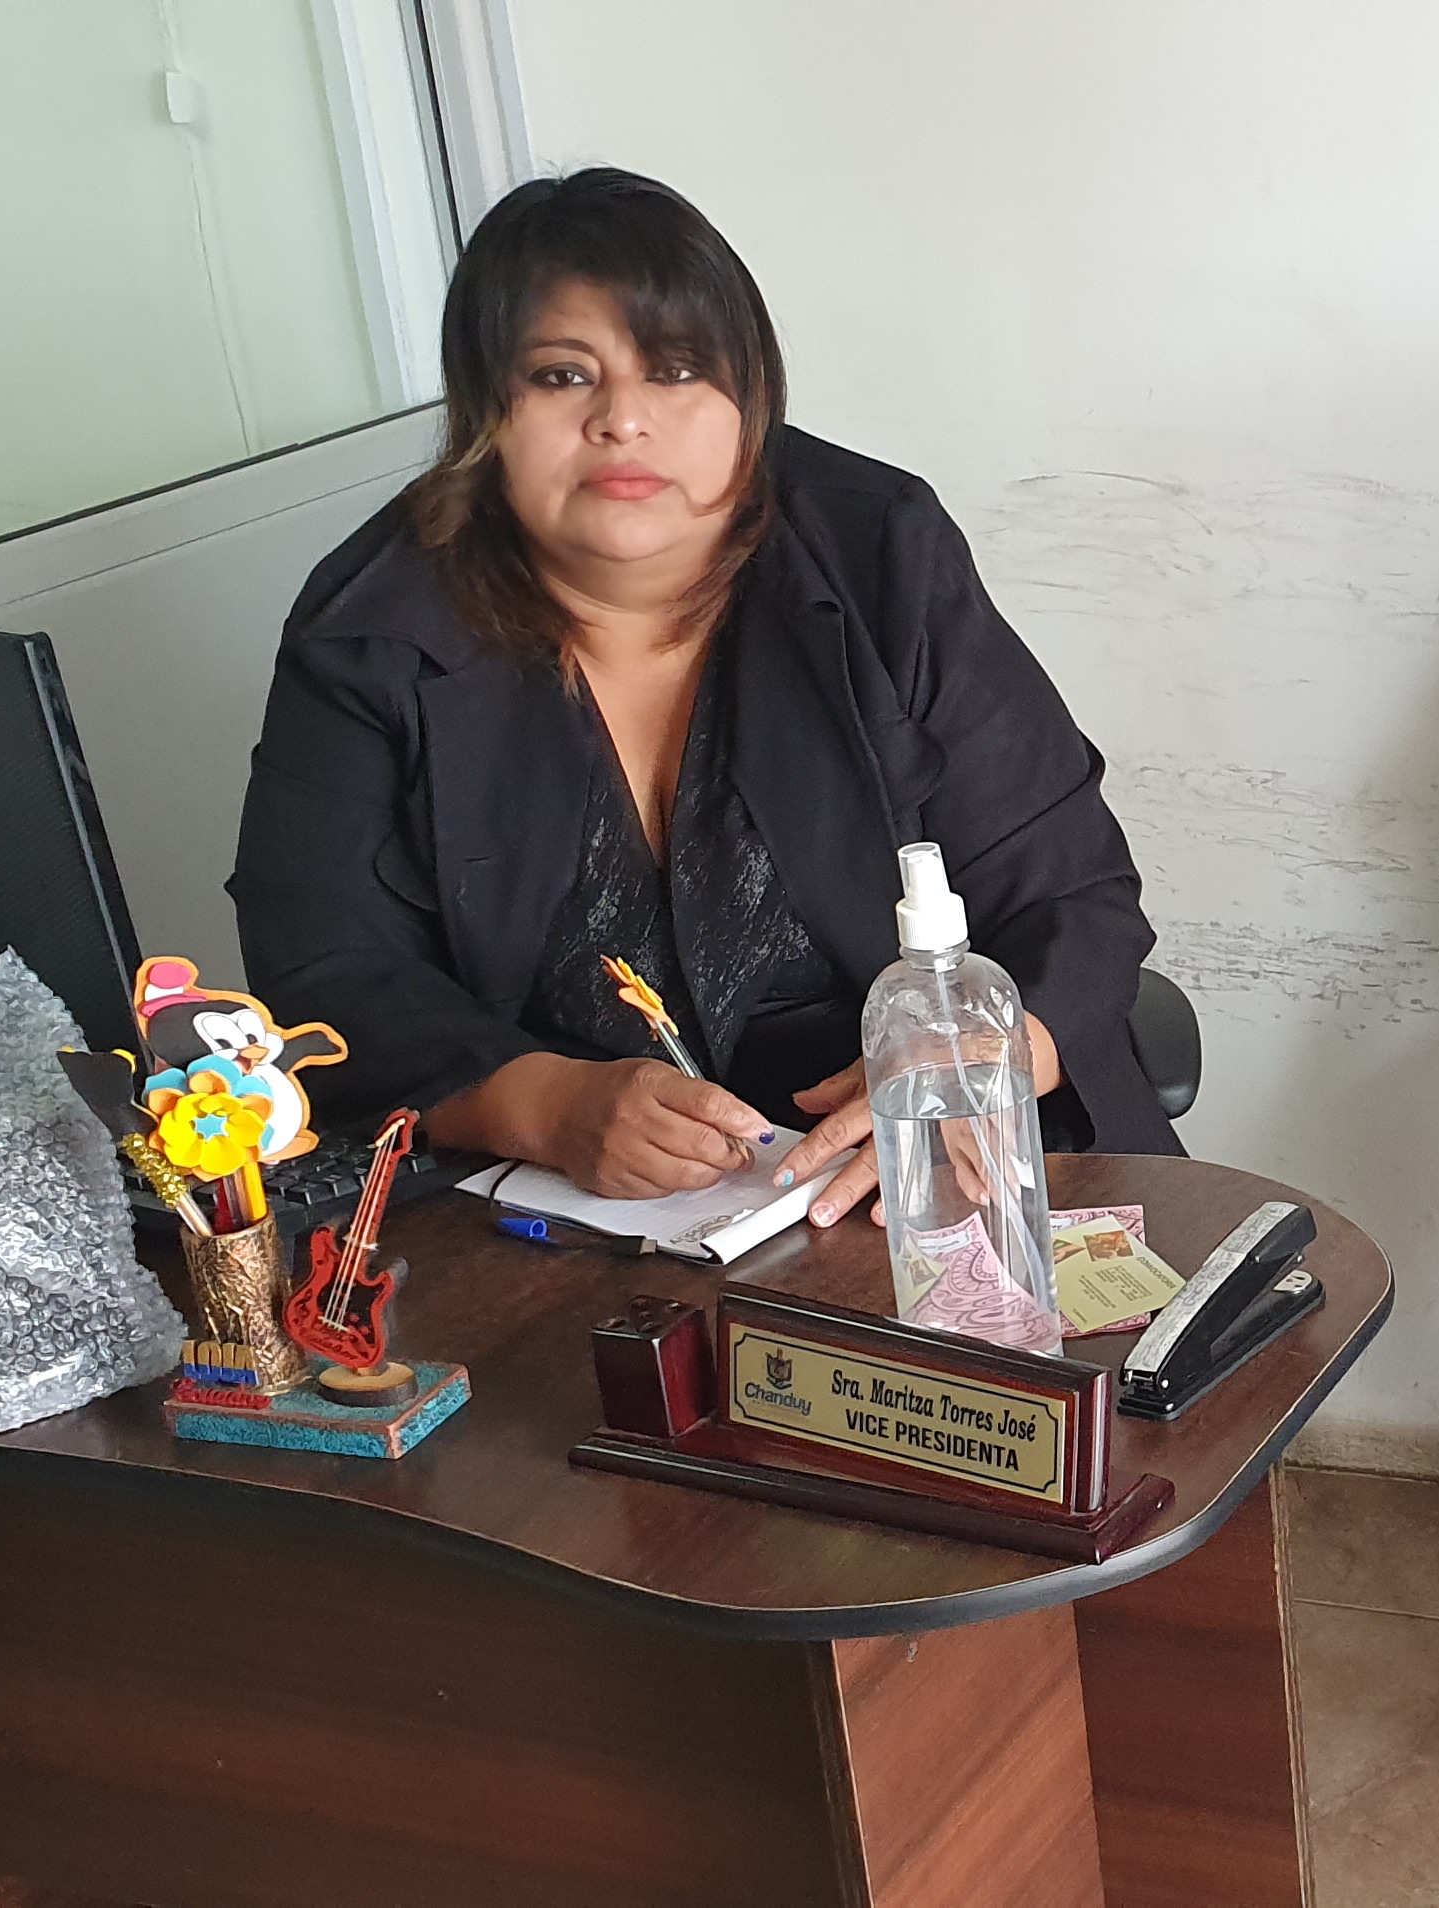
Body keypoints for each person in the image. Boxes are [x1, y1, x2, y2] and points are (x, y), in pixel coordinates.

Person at [231, 168, 1175, 1221]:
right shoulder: (373, 626)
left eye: (676, 369)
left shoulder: (879, 552)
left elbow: (1073, 893)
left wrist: (977, 1062)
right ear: (485, 411)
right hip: (572, 1212)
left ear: (749, 398)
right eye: (561, 376)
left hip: (940, 1172)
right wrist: (544, 1104)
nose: (622, 420)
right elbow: (323, 968)